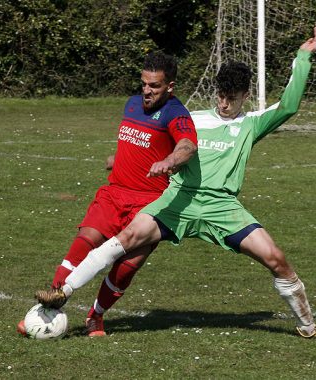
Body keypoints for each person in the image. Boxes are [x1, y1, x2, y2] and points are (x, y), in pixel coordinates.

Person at [37, 28, 316, 341]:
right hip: (178, 200)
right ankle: (63, 291)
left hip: (222, 207)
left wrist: (303, 56)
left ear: (244, 96)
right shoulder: (192, 117)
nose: (225, 103)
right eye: (221, 96)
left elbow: (289, 107)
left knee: (277, 260)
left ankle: (310, 329)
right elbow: (161, 139)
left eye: (232, 98)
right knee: (125, 237)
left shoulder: (252, 124)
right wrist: (125, 159)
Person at [18, 51, 198, 336]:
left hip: (150, 204)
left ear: (170, 87)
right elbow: (136, 141)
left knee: (126, 267)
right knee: (83, 242)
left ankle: (95, 317)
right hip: (115, 193)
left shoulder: (177, 114)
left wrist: (169, 161)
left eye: (154, 86)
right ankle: (47, 310)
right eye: (144, 84)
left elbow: (187, 145)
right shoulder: (131, 104)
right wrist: (118, 159)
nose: (146, 91)